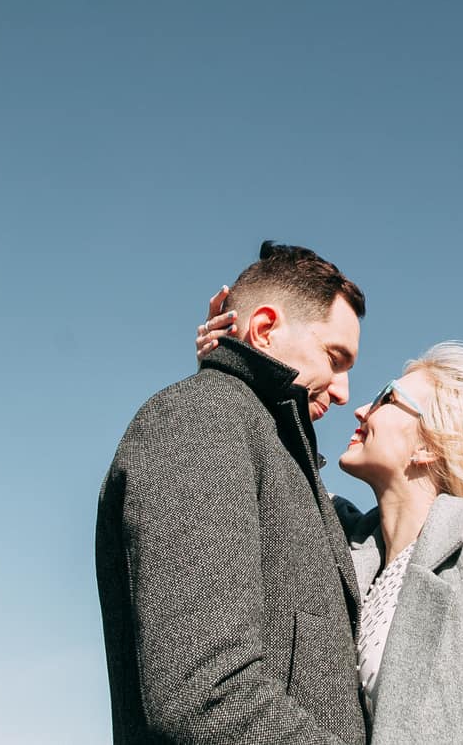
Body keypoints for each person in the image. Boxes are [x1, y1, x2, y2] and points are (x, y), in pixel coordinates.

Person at [197, 305, 463, 744]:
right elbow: (267, 480)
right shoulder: (339, 542)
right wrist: (230, 375)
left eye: (387, 398)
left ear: (430, 444)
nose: (360, 408)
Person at [96, 242, 369, 745]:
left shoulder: (274, 451)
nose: (344, 390)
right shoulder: (201, 416)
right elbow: (205, 692)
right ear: (265, 329)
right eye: (335, 357)